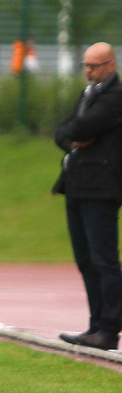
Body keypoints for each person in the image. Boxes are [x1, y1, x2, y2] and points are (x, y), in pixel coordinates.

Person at [53, 42, 122, 351]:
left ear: (111, 64)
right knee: (86, 261)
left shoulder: (115, 97)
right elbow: (63, 131)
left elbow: (82, 127)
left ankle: (109, 329)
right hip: (77, 185)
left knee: (104, 260)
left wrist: (74, 135)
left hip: (102, 188)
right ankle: (95, 326)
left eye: (95, 66)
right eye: (86, 66)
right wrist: (72, 139)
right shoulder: (88, 94)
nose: (89, 71)